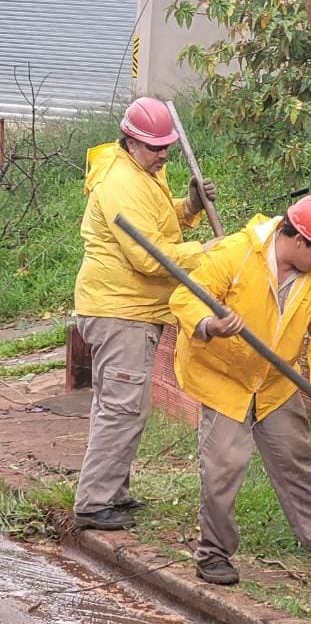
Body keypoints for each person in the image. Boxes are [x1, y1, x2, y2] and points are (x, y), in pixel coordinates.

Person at [169, 193, 311, 585]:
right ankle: (213, 554)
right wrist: (210, 325)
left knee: (296, 460)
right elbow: (185, 296)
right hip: (224, 378)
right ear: (299, 240)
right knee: (224, 466)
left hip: (275, 380)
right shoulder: (236, 252)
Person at [73, 96, 217, 530]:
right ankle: (94, 503)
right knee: (123, 407)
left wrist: (188, 207)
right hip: (120, 310)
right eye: (156, 148)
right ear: (131, 142)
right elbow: (151, 258)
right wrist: (209, 252)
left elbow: (154, 220)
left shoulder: (142, 170)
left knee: (118, 404)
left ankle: (111, 491)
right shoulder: (120, 183)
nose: (164, 154)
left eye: (168, 146)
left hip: (128, 307)